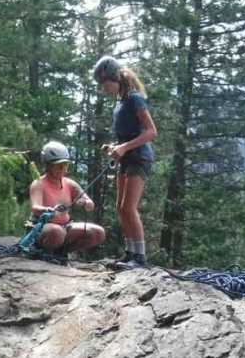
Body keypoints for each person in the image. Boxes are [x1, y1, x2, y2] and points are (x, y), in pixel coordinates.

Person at [92, 56, 157, 268]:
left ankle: (140, 257)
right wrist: (114, 146)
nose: (104, 89)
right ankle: (130, 253)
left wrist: (124, 147)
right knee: (121, 208)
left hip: (139, 157)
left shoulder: (134, 98)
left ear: (116, 78)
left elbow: (151, 132)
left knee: (129, 207)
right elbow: (128, 134)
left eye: (106, 84)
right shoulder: (121, 101)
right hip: (127, 156)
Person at [28, 141, 106, 255]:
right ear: (48, 165)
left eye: (65, 165)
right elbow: (35, 207)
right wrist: (49, 210)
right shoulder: (38, 184)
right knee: (57, 232)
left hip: (65, 226)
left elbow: (90, 204)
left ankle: (61, 253)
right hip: (42, 227)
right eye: (59, 166)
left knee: (98, 232)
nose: (63, 169)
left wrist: (85, 203)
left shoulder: (70, 184)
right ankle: (41, 251)